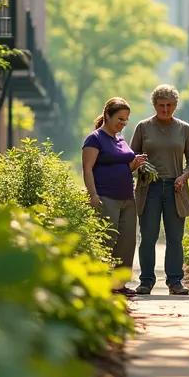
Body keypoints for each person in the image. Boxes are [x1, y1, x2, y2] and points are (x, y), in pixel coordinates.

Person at [129, 85, 189, 296]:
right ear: (155, 105)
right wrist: (140, 166)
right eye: (161, 105)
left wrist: (184, 176)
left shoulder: (184, 128)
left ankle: (175, 281)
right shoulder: (143, 127)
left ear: (176, 105)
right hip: (149, 187)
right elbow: (130, 158)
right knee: (148, 236)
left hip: (175, 188)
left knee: (175, 237)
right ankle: (146, 281)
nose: (165, 109)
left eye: (169, 105)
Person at [81, 97, 144, 295]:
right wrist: (93, 194)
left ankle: (119, 285)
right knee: (107, 240)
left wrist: (134, 165)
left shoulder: (121, 139)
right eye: (119, 118)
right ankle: (101, 285)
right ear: (107, 114)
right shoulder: (95, 138)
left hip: (127, 197)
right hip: (106, 197)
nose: (122, 123)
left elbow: (123, 166)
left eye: (125, 120)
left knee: (127, 242)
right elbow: (87, 168)